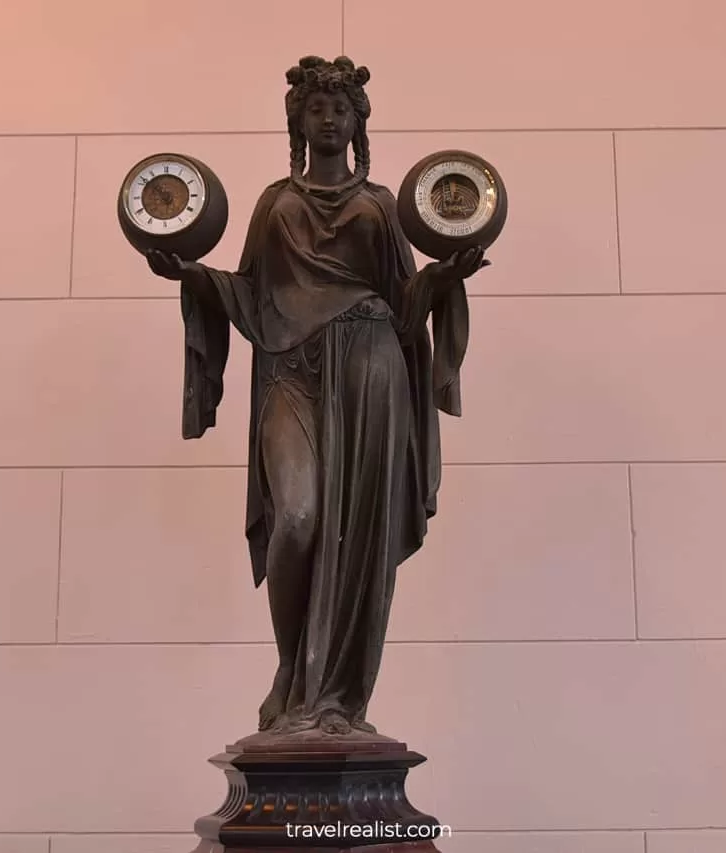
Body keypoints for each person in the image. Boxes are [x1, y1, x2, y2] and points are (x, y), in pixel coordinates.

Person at [145, 55, 488, 737]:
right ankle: (289, 669)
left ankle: (334, 696)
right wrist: (189, 272)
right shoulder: (276, 202)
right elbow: (249, 289)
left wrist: (447, 276)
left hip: (369, 365)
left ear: (358, 122)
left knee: (358, 534)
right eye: (315, 110)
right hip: (290, 370)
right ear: (297, 122)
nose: (328, 118)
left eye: (340, 110)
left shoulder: (382, 205)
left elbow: (402, 301)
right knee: (296, 516)